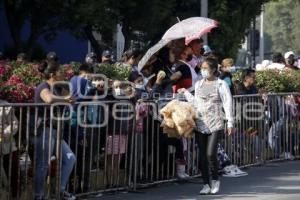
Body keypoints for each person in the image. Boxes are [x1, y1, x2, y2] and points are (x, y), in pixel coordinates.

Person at [178, 57, 234, 194]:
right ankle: (205, 184)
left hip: (216, 123)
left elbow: (227, 103)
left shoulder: (221, 84)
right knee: (202, 155)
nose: (202, 70)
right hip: (200, 124)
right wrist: (185, 93)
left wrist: (230, 122)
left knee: (210, 153)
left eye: (205, 68)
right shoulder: (199, 84)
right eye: (201, 68)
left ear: (214, 69)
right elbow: (196, 103)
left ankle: (215, 180)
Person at [34, 62, 76, 200]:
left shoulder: (58, 88)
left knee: (70, 158)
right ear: (52, 74)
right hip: (44, 130)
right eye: (60, 71)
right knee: (43, 164)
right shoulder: (43, 86)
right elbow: (49, 99)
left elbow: (71, 98)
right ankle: (38, 195)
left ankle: (60, 190)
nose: (63, 73)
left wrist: (69, 98)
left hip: (55, 131)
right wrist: (65, 99)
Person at [0, 100, 20, 199]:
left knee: (12, 176)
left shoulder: (5, 106)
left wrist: (3, 133)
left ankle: (13, 196)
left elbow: (14, 125)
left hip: (7, 148)